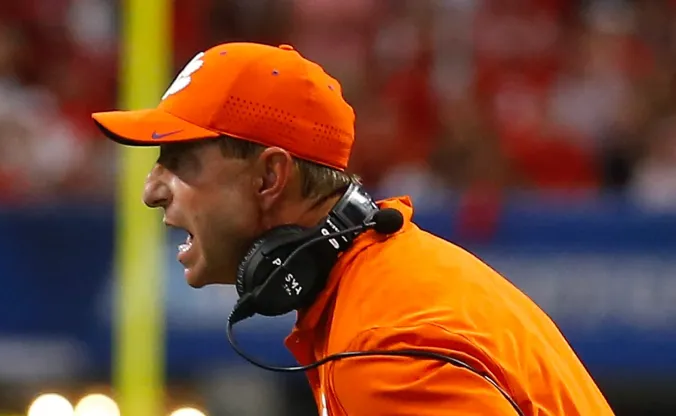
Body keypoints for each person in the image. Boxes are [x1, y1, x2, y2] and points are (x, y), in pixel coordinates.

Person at [92, 42, 614, 416]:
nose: (151, 190)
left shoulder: (382, 346)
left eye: (179, 160)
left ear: (270, 176)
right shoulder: (381, 282)